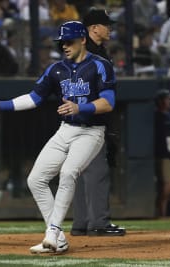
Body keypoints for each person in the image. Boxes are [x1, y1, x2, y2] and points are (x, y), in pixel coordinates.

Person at [0, 21, 116, 253]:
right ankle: (58, 239)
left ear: (83, 40)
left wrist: (81, 108)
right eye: (61, 42)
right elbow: (34, 98)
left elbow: (108, 102)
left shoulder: (100, 65)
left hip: (91, 131)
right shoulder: (56, 69)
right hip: (66, 129)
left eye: (69, 41)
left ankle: (52, 231)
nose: (64, 46)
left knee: (68, 172)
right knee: (36, 179)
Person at [70, 8, 126, 237]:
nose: (110, 28)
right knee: (97, 172)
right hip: (91, 120)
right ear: (94, 28)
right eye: (106, 24)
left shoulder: (87, 51)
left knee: (82, 174)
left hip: (78, 121)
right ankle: (98, 223)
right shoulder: (89, 54)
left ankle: (82, 222)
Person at [154, 89, 170, 217]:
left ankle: (162, 213)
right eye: (167, 99)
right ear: (161, 101)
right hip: (163, 155)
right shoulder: (157, 116)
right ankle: (160, 209)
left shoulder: (168, 115)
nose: (169, 101)